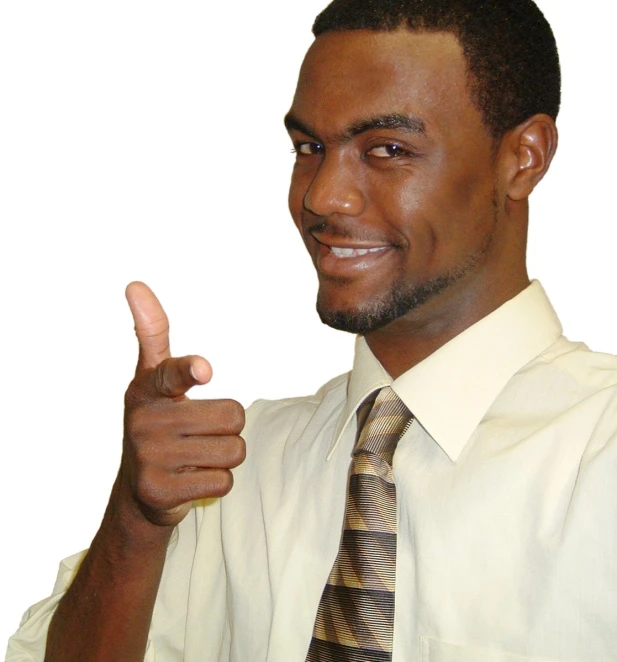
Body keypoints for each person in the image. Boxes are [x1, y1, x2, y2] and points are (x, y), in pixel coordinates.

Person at [6, 0, 617, 660]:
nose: (323, 197)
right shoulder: (234, 472)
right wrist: (134, 521)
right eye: (309, 148)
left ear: (521, 157)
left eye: (388, 149)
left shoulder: (600, 455)